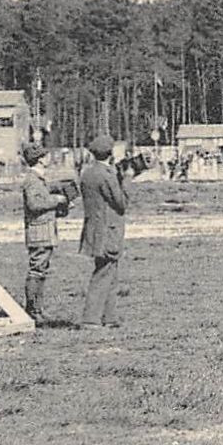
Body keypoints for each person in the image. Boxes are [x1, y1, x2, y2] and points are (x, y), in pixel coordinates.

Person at [78, 133, 128, 328]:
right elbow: (121, 203)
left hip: (95, 229)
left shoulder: (88, 173)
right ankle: (90, 318)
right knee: (103, 273)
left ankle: (110, 317)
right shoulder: (106, 175)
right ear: (110, 153)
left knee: (110, 273)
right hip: (108, 231)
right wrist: (127, 178)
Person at [20, 142, 69, 325]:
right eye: (45, 155)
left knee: (41, 271)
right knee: (37, 270)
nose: (48, 158)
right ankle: (32, 311)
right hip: (39, 232)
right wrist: (56, 200)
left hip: (44, 230)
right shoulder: (32, 180)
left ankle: (37, 309)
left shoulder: (38, 179)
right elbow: (34, 205)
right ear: (39, 159)